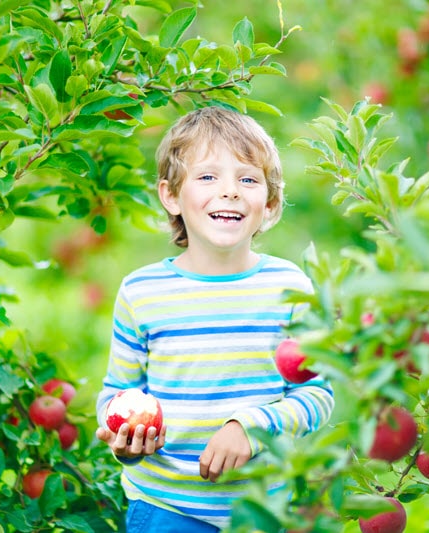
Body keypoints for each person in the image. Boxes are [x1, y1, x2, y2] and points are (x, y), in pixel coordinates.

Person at [95, 106, 335, 533]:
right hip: (167, 507)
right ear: (171, 195)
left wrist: (252, 425)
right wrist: (125, 442)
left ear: (271, 203)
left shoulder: (290, 286)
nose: (230, 192)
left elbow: (317, 396)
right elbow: (118, 393)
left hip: (263, 511)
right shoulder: (142, 292)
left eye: (248, 179)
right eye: (208, 177)